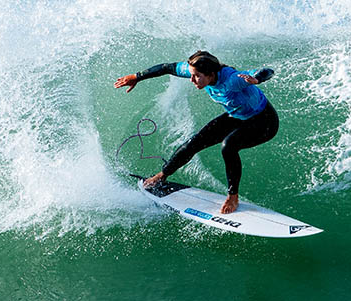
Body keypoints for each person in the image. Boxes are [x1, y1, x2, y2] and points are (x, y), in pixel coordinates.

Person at [114, 50, 278, 214]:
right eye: (191, 75)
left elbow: (267, 71)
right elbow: (167, 67)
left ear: (211, 74)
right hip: (237, 115)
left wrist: (257, 79)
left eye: (196, 76)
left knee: (228, 146)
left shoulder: (233, 80)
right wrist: (136, 77)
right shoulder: (198, 71)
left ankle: (233, 197)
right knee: (193, 143)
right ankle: (162, 176)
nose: (192, 79)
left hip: (264, 121)